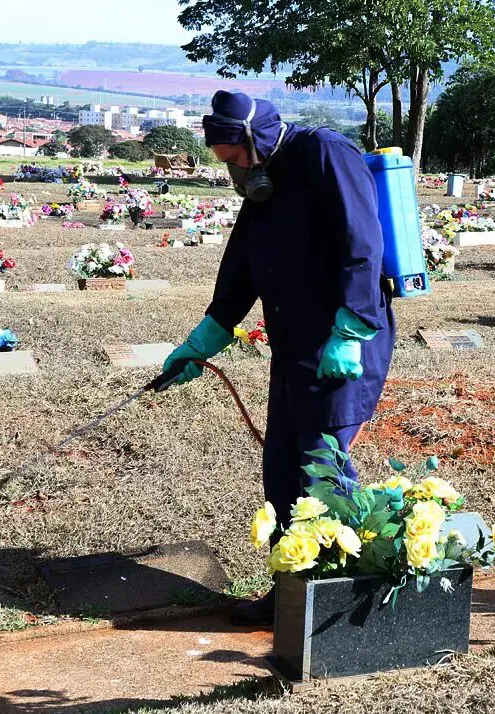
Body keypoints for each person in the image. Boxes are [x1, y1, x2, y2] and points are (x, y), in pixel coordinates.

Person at [162, 91, 395, 626]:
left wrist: (352, 328)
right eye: (226, 164)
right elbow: (242, 270)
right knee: (282, 471)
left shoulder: (324, 153)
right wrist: (202, 342)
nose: (236, 171)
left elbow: (363, 242)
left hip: (344, 344)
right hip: (294, 348)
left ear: (256, 139)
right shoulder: (262, 189)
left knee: (321, 464)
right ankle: (292, 591)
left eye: (237, 157)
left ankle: (349, 598)